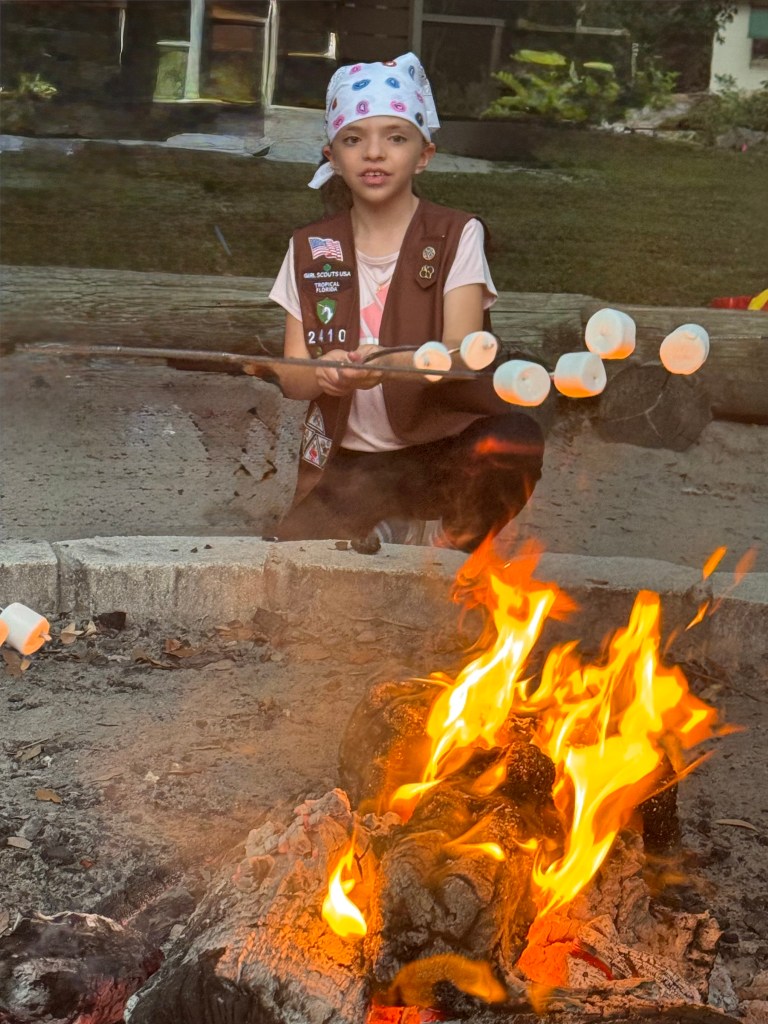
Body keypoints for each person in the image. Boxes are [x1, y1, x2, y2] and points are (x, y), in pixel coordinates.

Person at [267, 52, 544, 553]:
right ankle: (388, 527)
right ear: (332, 157)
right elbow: (292, 375)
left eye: (395, 137)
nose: (374, 153)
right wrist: (324, 372)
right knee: (297, 563)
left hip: (439, 451)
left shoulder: (457, 233)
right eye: (354, 139)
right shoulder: (309, 247)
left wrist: (393, 364)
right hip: (353, 466)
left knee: (514, 439)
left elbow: (463, 354)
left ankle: (444, 548)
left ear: (423, 154)